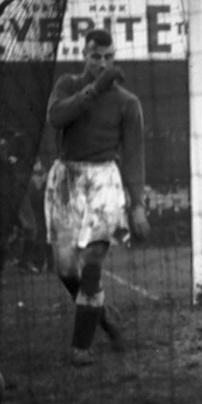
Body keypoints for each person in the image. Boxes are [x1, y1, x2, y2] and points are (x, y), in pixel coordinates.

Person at [45, 28, 150, 366]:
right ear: (84, 56)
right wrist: (95, 89)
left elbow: (134, 155)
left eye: (108, 58)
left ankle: (81, 347)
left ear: (114, 58)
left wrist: (137, 205)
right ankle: (104, 318)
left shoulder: (128, 103)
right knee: (65, 269)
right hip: (66, 178)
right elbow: (56, 117)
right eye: (95, 57)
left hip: (104, 178)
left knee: (91, 266)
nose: (102, 63)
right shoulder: (66, 85)